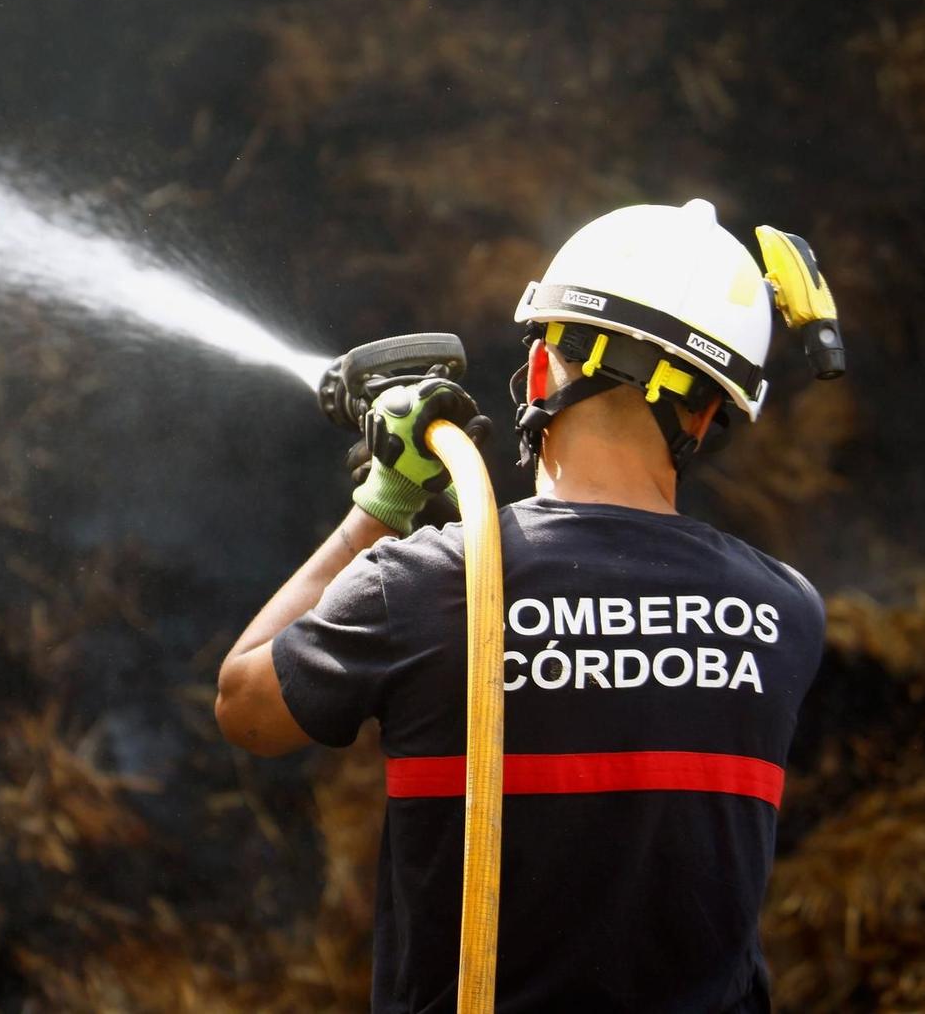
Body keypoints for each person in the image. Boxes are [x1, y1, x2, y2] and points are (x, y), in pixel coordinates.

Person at [216, 199, 828, 1013]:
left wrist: (382, 504)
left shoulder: (428, 585)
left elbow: (246, 704)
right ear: (709, 414)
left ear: (540, 373)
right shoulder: (784, 614)